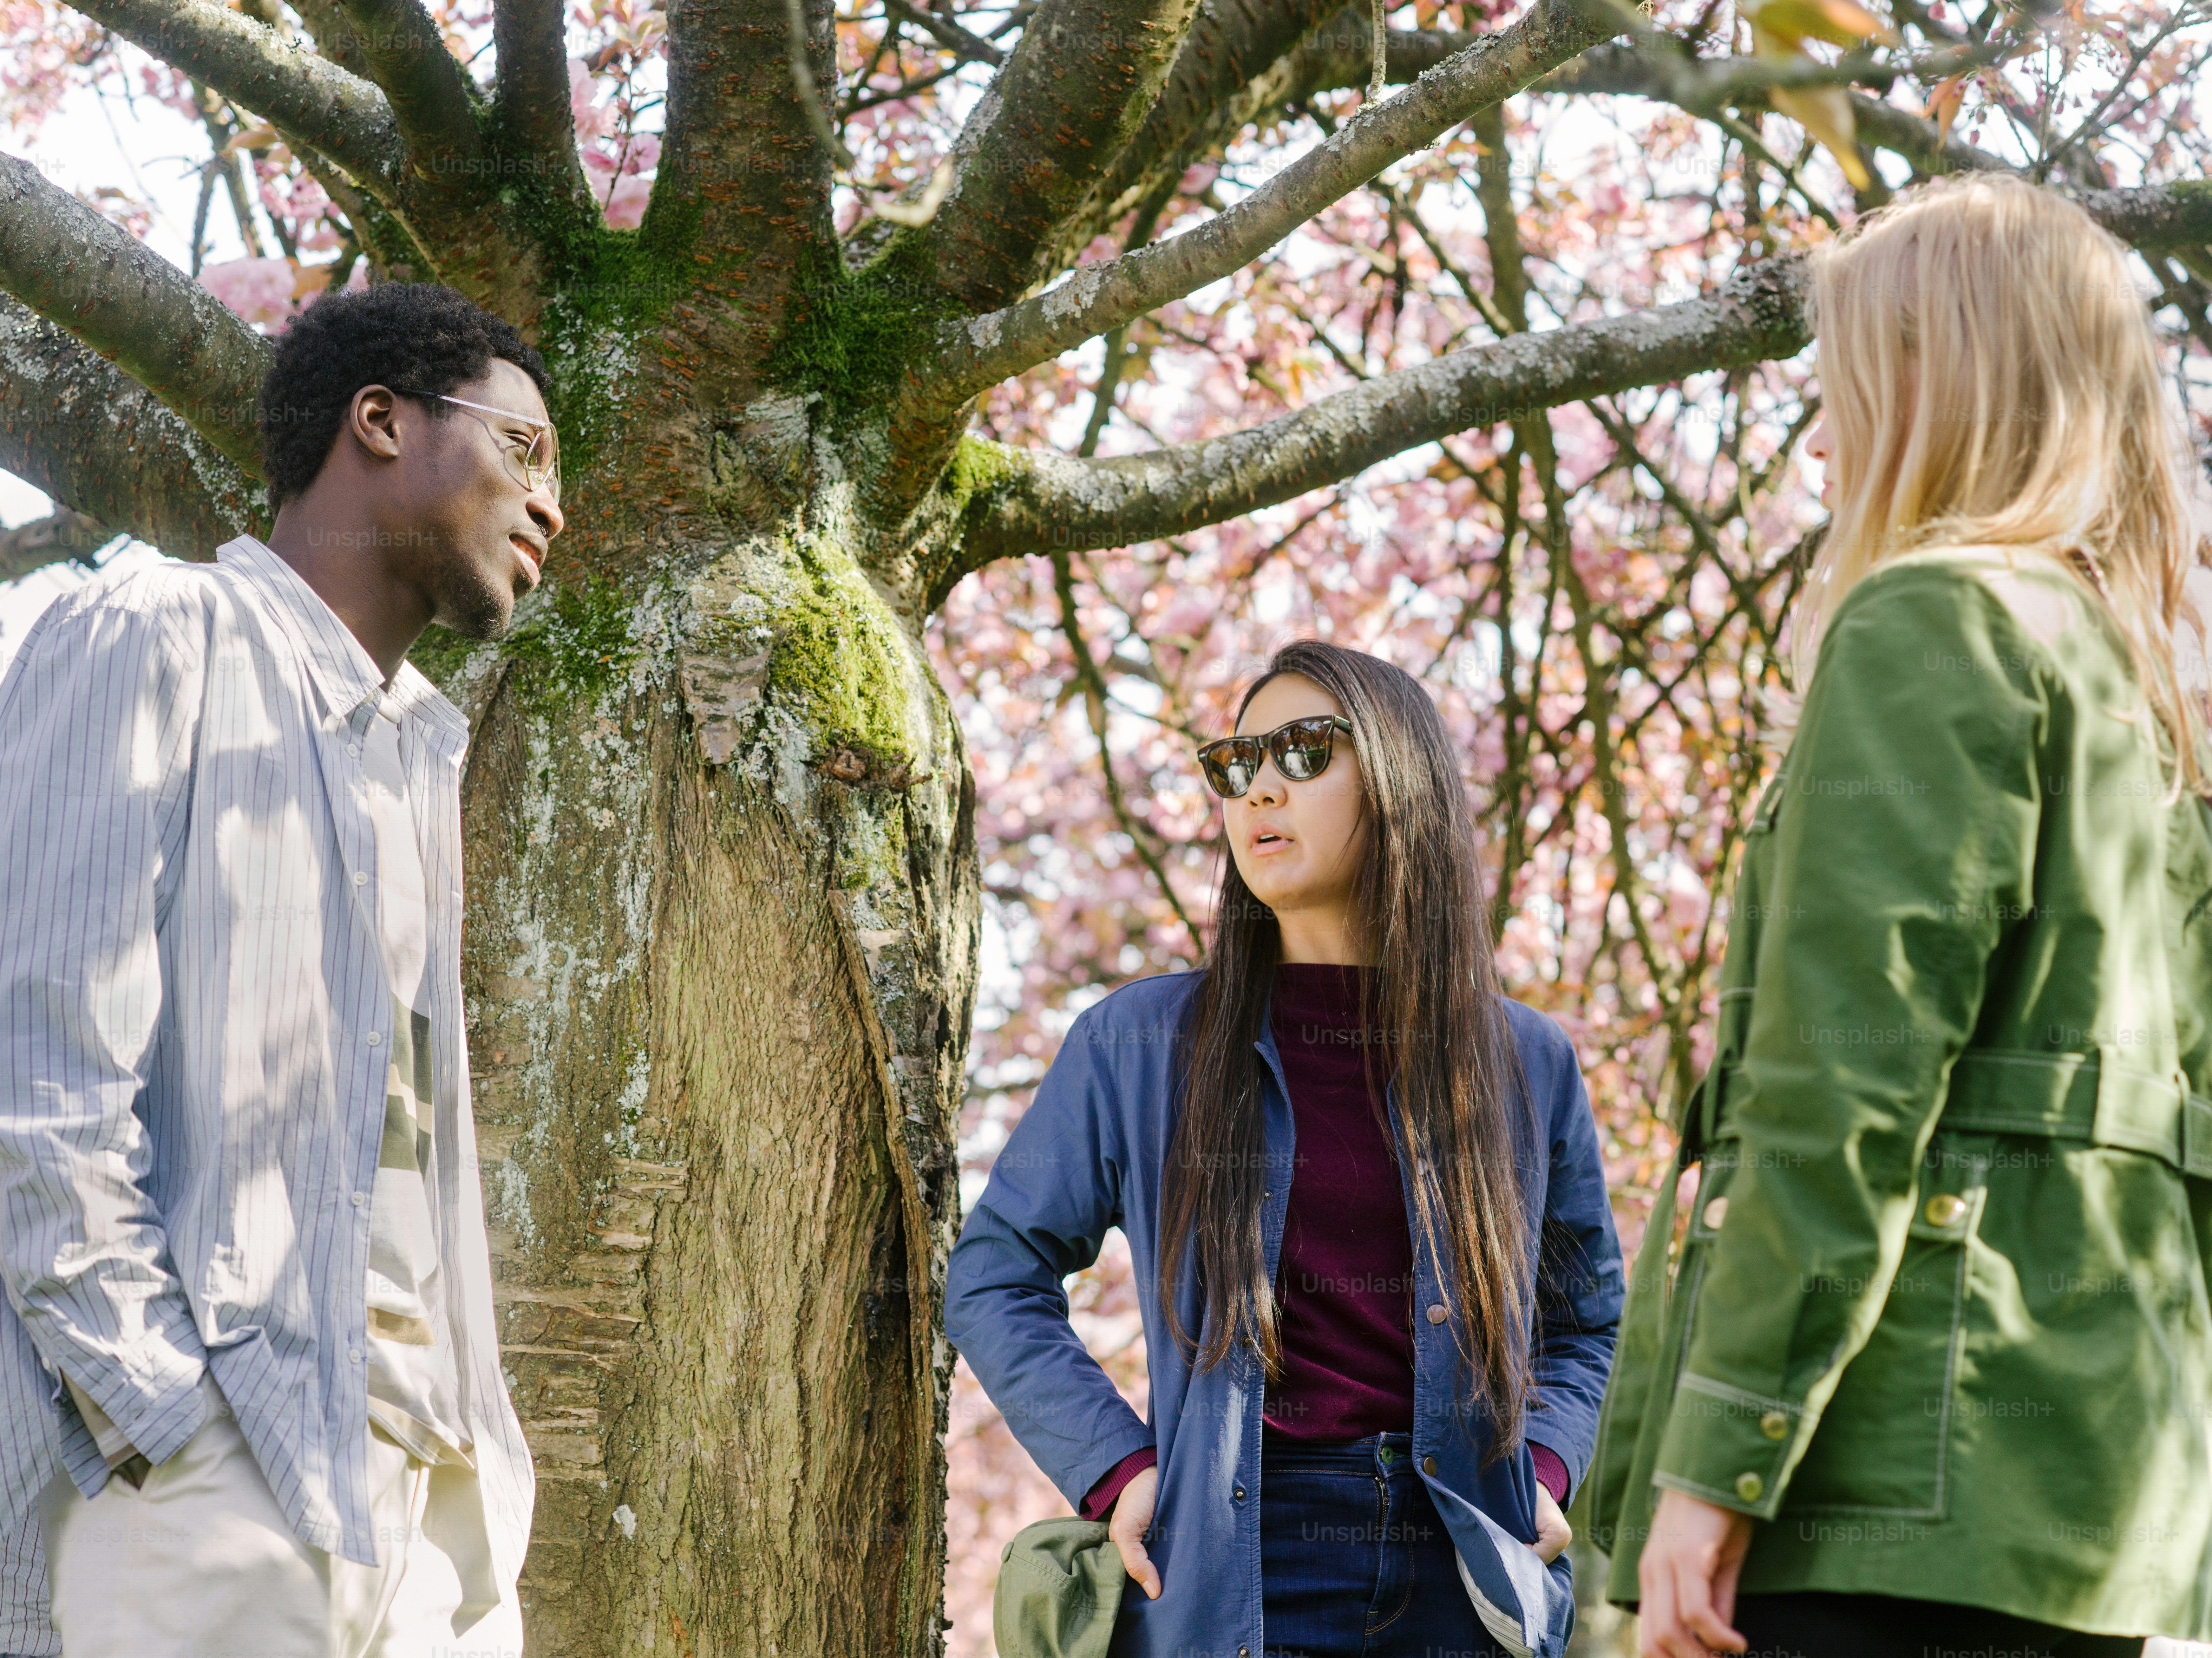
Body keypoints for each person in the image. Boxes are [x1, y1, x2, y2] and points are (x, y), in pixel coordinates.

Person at [1592, 172, 2212, 1658]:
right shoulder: (2153, 699)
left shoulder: (1935, 619)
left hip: (1886, 1475)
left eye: (1849, 377)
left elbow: (1841, 1091)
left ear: (1949, 375)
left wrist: (1716, 1458)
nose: (1824, 433)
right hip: (2089, 1492)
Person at [0, 280, 564, 1656]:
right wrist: (164, 1417)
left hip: (427, 1515)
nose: (552, 506)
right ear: (379, 420)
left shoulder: (414, 751)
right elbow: (36, 1064)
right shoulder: (155, 632)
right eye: (525, 449)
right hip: (208, 1476)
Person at [946, 640, 1624, 1658]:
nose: (1260, 787)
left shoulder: (1524, 1061)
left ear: (1400, 778)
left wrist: (1549, 1468)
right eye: (1236, 764)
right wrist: (1117, 1467)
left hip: (1472, 1568)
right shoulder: (1138, 1045)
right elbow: (995, 1275)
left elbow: (1587, 1319)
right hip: (1241, 1571)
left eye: (1304, 750)